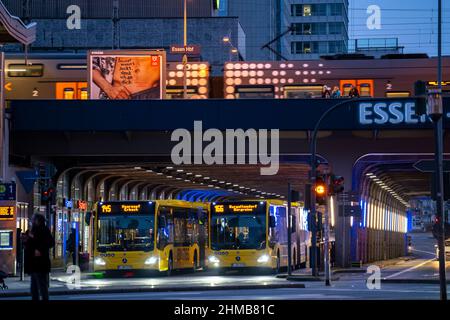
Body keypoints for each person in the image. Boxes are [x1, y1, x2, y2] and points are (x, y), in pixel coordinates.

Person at [22, 214, 55, 301]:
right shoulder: (32, 230)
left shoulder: (44, 230)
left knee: (41, 285)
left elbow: (50, 242)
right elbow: (31, 243)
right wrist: (26, 241)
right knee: (34, 287)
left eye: (33, 219)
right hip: (34, 263)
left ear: (37, 221)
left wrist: (39, 249)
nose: (31, 221)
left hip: (40, 263)